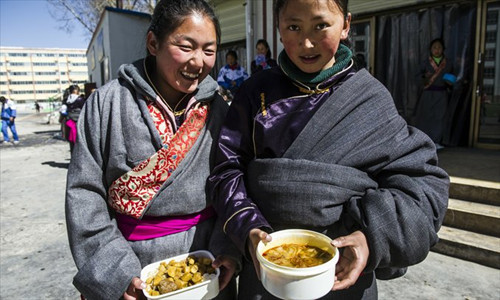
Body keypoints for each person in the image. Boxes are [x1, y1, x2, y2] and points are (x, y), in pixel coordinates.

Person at [207, 0, 450, 299]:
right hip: (267, 268)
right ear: (278, 28)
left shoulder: (370, 98)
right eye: (293, 27)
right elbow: (226, 170)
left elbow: (422, 183)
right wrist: (248, 228)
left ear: (346, 25)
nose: (306, 42)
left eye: (321, 26)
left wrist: (371, 237)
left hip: (343, 272)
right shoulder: (254, 92)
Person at [65, 1, 239, 299]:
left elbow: (233, 183)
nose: (198, 62)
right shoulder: (106, 104)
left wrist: (228, 249)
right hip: (132, 264)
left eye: (209, 51)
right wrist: (114, 272)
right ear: (153, 43)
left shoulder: (220, 108)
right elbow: (84, 193)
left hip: (207, 262)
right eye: (186, 47)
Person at [415, 38, 454, 150]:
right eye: (434, 48)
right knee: (425, 117)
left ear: (443, 49)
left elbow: (453, 77)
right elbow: (417, 77)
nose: (437, 50)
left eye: (439, 48)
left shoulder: (448, 63)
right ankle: (424, 141)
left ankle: (436, 141)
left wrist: (450, 81)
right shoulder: (425, 63)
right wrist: (424, 78)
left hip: (441, 93)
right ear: (430, 49)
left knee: (440, 117)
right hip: (427, 93)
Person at [65, 85, 86, 153]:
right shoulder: (79, 99)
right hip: (79, 120)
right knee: (80, 139)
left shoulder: (66, 99)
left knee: (71, 140)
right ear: (76, 91)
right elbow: (84, 109)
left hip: (69, 120)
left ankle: (72, 156)